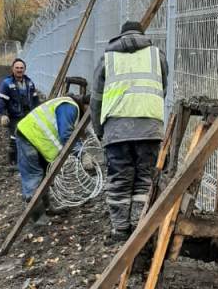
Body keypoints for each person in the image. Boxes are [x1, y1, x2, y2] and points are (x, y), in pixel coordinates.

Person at [91, 20, 168, 242]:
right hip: (149, 129)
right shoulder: (157, 56)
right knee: (145, 179)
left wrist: (99, 130)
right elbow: (161, 89)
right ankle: (140, 231)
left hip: (116, 131)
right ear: (142, 35)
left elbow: (96, 100)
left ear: (120, 36)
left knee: (119, 181)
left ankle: (120, 232)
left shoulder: (107, 59)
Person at [14, 95, 82, 223]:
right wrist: (81, 153)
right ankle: (37, 217)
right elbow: (66, 134)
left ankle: (47, 208)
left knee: (44, 175)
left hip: (37, 139)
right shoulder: (70, 107)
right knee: (33, 176)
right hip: (29, 136)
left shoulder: (67, 106)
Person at [0, 58, 40, 165]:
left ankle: (29, 159)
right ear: (12, 69)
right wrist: (2, 115)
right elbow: (1, 100)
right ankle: (13, 162)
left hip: (28, 115)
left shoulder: (29, 83)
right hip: (15, 116)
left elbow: (35, 99)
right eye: (17, 68)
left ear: (24, 69)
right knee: (14, 138)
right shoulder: (6, 83)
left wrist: (38, 112)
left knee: (31, 137)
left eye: (21, 68)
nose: (19, 70)